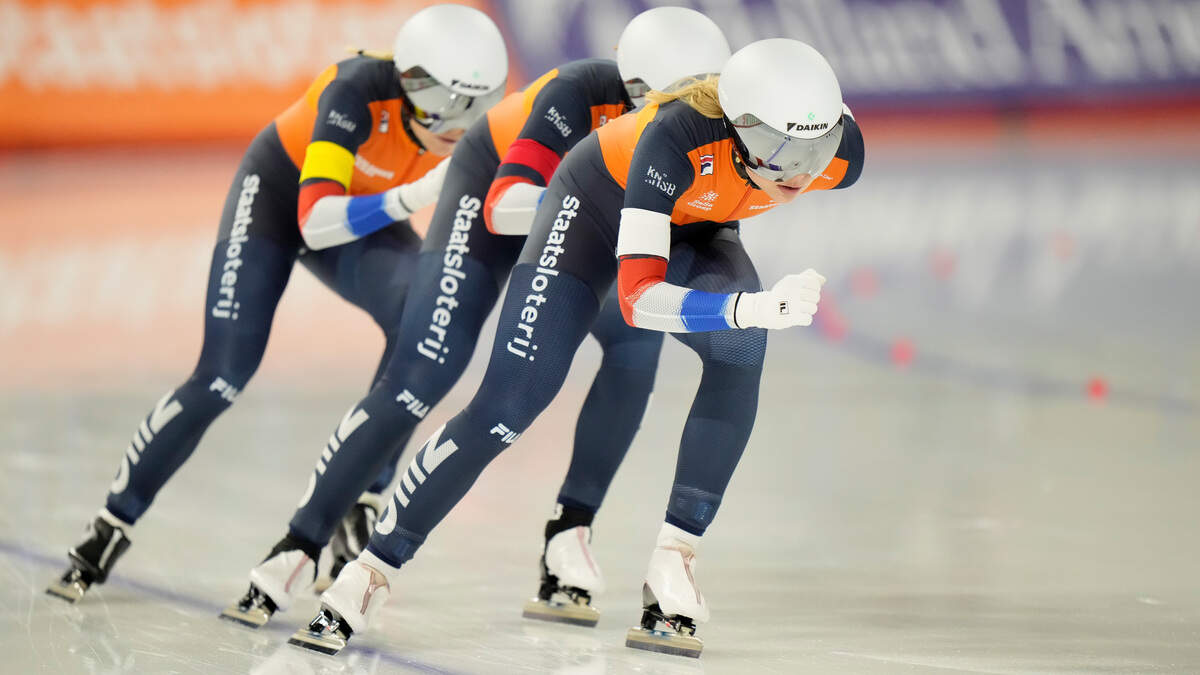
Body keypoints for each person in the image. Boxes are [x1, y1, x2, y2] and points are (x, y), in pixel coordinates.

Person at [290, 38, 865, 659]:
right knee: (509, 406)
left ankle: (675, 560)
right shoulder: (674, 138)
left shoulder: (839, 153)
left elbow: (797, 158)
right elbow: (640, 299)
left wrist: (743, 315)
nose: (800, 173)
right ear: (736, 125)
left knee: (740, 351)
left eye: (816, 148)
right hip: (590, 211)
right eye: (781, 152)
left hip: (694, 221)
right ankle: (373, 569)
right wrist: (746, 305)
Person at [219, 6, 732, 632]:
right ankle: (299, 542)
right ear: (632, 93)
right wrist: (621, 203)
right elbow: (508, 209)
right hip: (496, 200)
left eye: (706, 102)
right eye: (675, 104)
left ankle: (568, 533)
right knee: (427, 370)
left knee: (632, 353)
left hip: (588, 216)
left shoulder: (704, 126)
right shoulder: (576, 92)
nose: (691, 118)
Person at [45, 4, 508, 604]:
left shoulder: (467, 121)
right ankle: (112, 522)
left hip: (362, 212)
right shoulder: (356, 91)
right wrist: (412, 197)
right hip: (283, 199)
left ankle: (364, 494)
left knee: (420, 322)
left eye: (478, 105)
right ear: (409, 84)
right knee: (222, 376)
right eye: (445, 104)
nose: (458, 125)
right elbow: (314, 222)